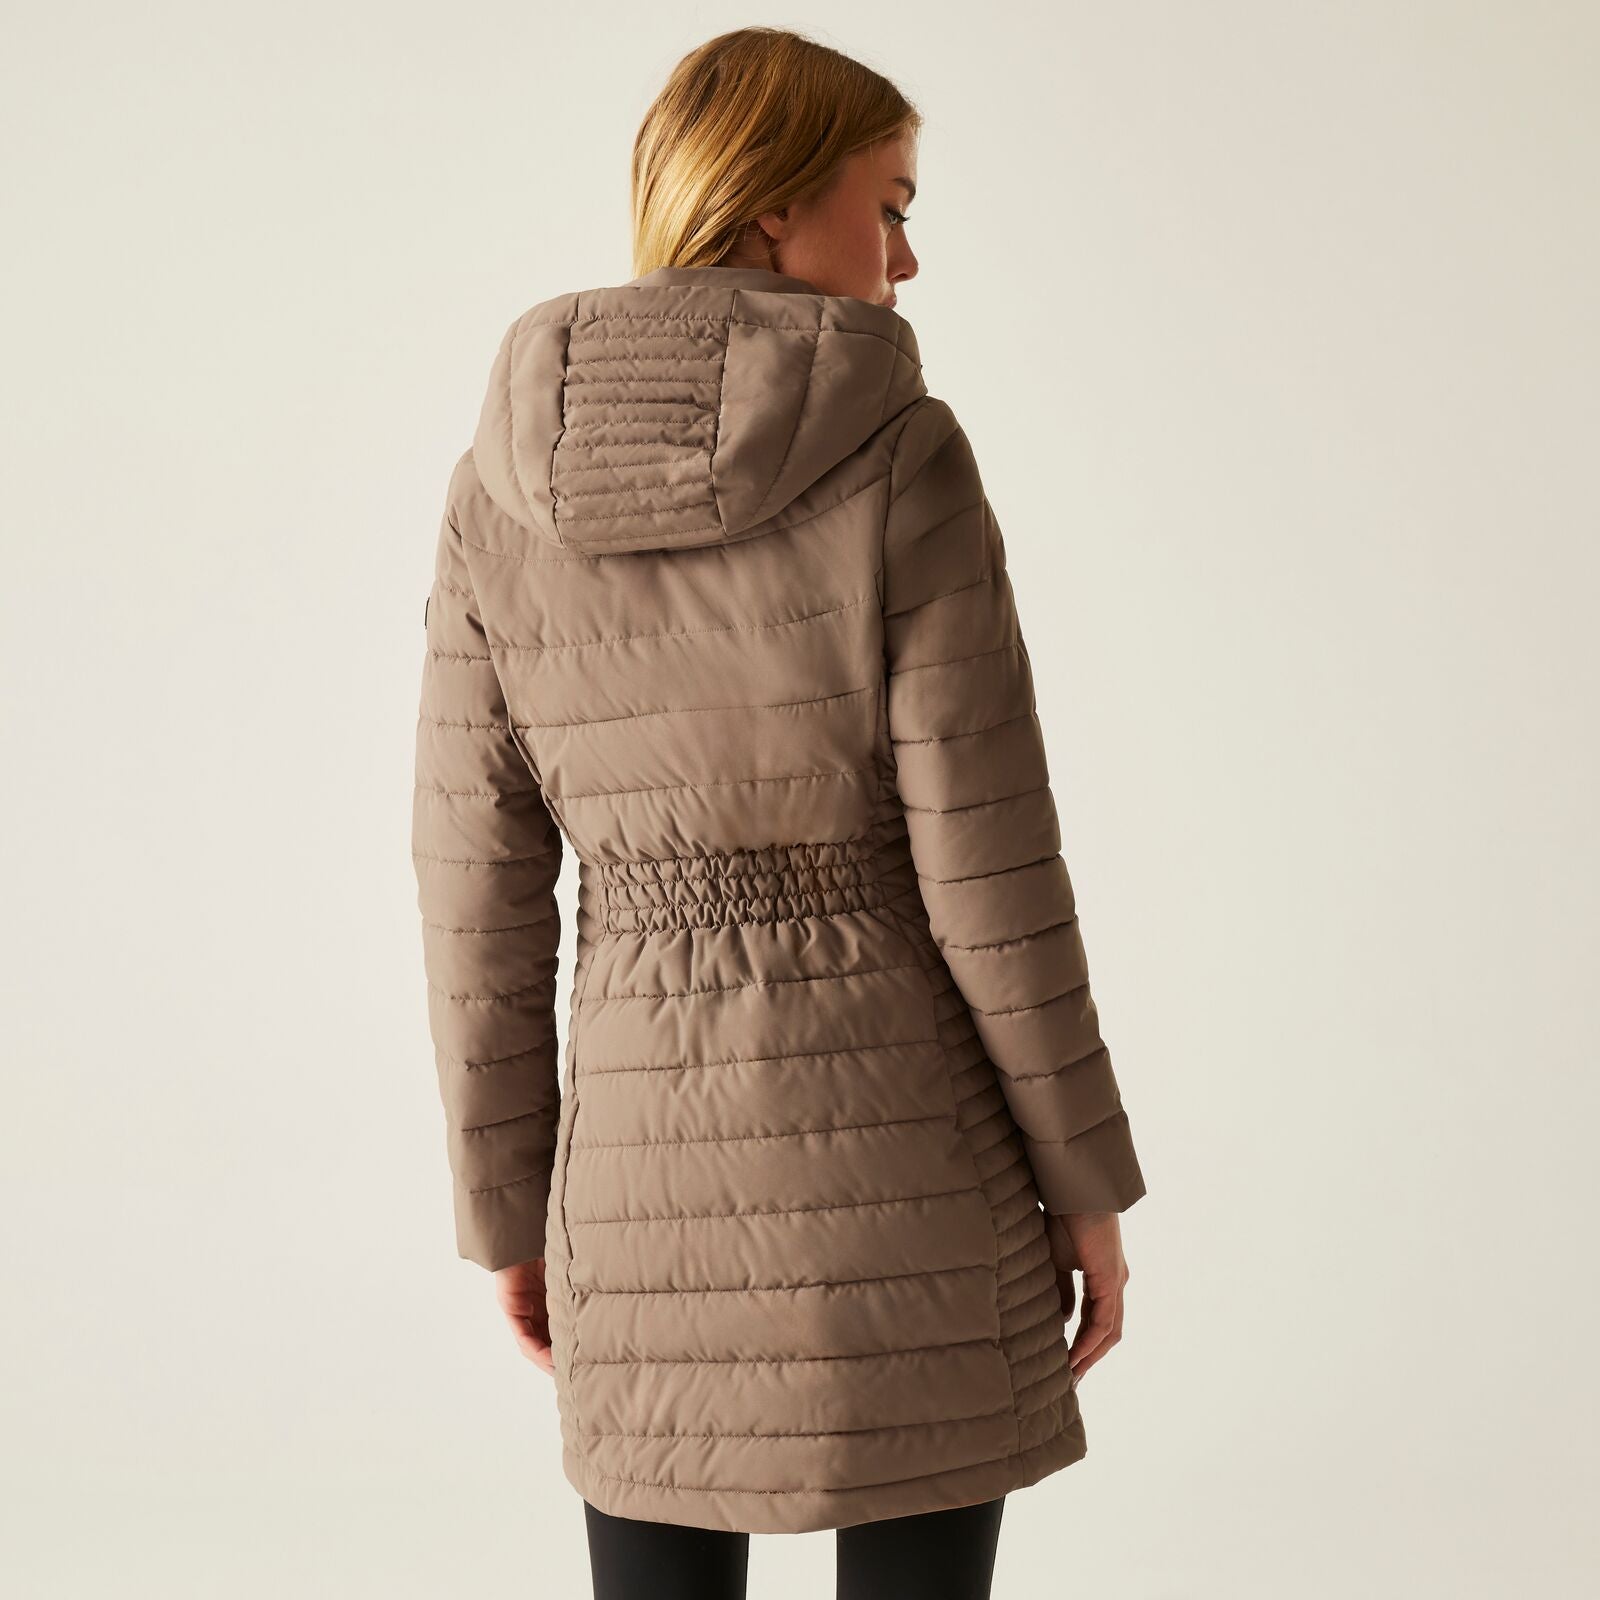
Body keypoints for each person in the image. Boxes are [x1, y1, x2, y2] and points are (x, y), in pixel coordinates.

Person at [411, 25, 1148, 1600]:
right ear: (771, 207)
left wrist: (509, 1203)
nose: (908, 258)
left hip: (634, 1177)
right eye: (889, 207)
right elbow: (992, 867)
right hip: (909, 1151)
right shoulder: (900, 448)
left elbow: (474, 892)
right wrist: (1084, 1184)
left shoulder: (495, 493)